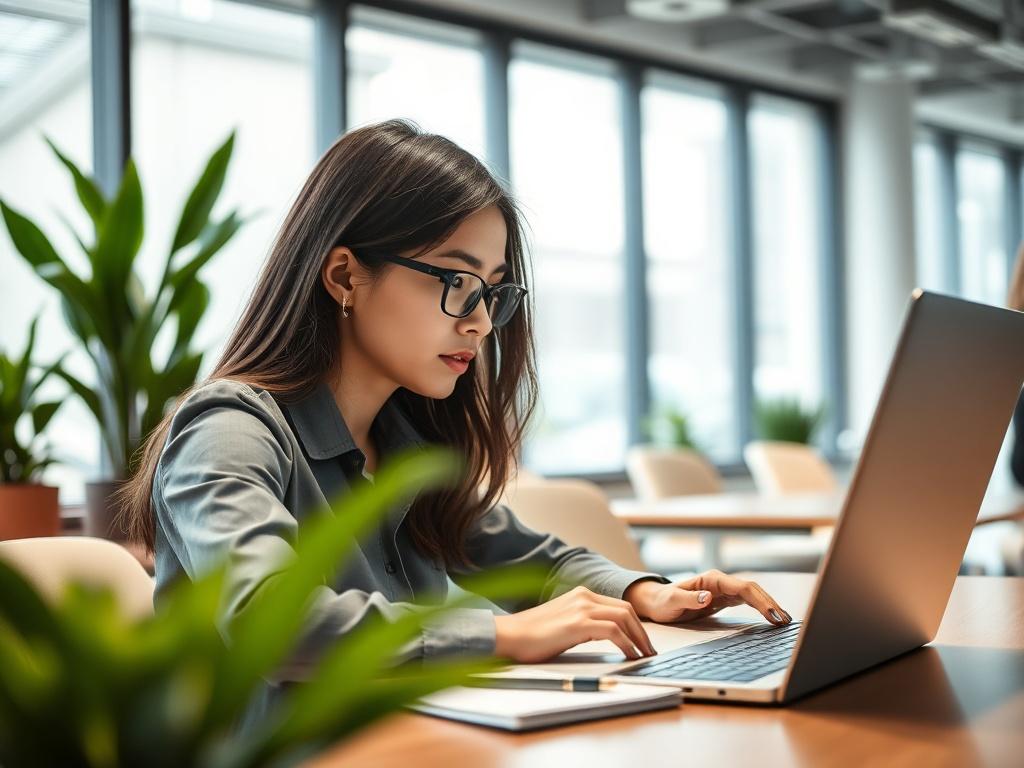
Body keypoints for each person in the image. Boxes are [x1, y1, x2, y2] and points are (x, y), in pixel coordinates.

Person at [119, 119, 792, 731]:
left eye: (491, 291)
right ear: (345, 275)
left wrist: (652, 592)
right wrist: (501, 636)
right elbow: (270, 621)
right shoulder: (230, 430)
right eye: (455, 280)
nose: (477, 321)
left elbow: (533, 559)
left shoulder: (403, 444)